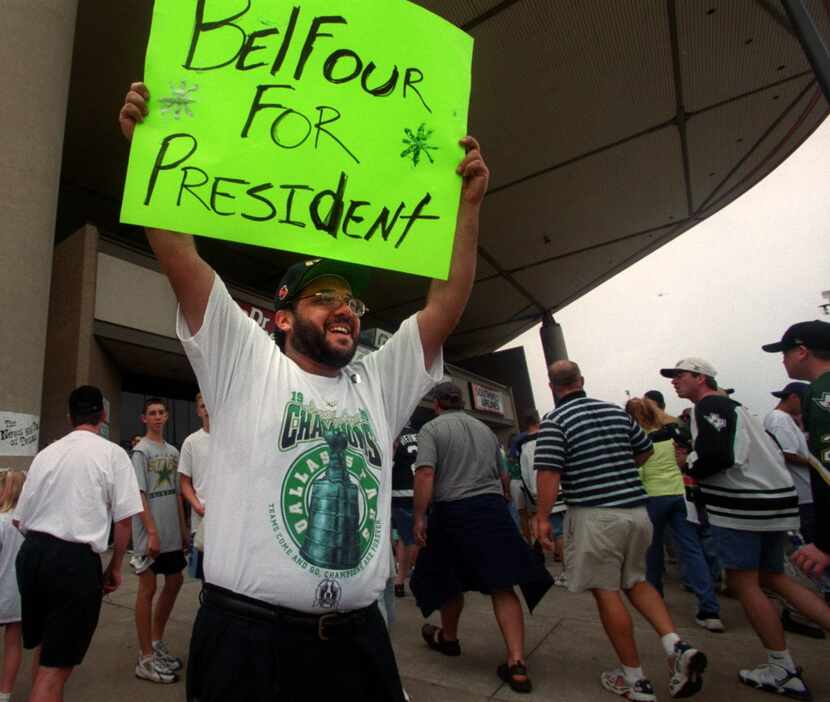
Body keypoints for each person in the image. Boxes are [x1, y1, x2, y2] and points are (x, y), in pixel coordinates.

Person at [119, 81, 489, 702]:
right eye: (325, 299)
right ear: (284, 316)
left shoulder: (378, 383)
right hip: (246, 645)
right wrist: (147, 149)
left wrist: (469, 206)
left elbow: (445, 303)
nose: (344, 310)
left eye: (350, 301)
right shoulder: (247, 364)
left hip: (357, 643)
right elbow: (180, 255)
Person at [534, 361, 706, 702]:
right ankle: (676, 645)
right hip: (637, 512)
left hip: (596, 516)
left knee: (606, 590)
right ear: (582, 380)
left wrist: (541, 517)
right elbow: (643, 450)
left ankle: (634, 679)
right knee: (637, 580)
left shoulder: (555, 421)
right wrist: (618, 470)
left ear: (552, 386)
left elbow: (550, 473)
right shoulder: (615, 412)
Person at [663, 357, 830, 699]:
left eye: (680, 375)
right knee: (774, 578)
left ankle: (781, 667)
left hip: (743, 506)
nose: (674, 381)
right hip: (773, 502)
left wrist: (689, 460)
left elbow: (720, 456)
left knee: (743, 582)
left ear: (701, 377)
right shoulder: (734, 407)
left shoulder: (709, 406)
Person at [410, 382, 552, 694]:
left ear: (436, 405)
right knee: (503, 585)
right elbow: (503, 475)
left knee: (449, 580)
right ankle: (516, 663)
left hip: (452, 510)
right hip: (491, 508)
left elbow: (425, 474)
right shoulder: (486, 430)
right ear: (462, 402)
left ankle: (449, 638)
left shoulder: (431, 430)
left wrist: (420, 516)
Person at [14, 386, 142, 702]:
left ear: (69, 416)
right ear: (103, 415)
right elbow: (124, 519)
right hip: (73, 562)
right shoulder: (112, 454)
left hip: (32, 555)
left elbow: (20, 519)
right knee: (54, 671)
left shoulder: (46, 453)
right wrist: (115, 567)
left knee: (46, 654)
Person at [624, 397, 724, 632]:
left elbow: (638, 471)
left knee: (653, 552)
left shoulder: (639, 440)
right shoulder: (672, 434)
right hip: (679, 495)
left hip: (652, 497)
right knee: (692, 549)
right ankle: (710, 609)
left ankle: (655, 597)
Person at [763, 321, 830, 582]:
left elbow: (827, 471)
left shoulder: (819, 393)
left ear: (802, 351)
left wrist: (825, 542)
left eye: (785, 353)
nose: (783, 361)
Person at [131, 398, 187, 684]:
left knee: (175, 581)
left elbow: (177, 494)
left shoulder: (174, 451)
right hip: (149, 534)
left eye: (161, 413)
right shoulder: (140, 452)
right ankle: (145, 658)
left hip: (172, 533)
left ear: (166, 416)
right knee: (147, 589)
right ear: (144, 419)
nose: (156, 417)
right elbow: (138, 495)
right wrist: (151, 531)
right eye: (151, 413)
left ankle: (156, 642)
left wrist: (183, 527)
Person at [519, 414, 568, 586]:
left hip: (542, 492)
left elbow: (525, 475)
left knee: (559, 533)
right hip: (563, 487)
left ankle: (568, 572)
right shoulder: (552, 436)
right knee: (572, 530)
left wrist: (534, 500)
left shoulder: (524, 447)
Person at [763, 383, 814, 542]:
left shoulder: (785, 419)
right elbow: (787, 454)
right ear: (793, 397)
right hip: (802, 494)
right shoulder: (779, 419)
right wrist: (817, 465)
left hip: (805, 493)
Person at [178, 392, 211, 582]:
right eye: (202, 406)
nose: (207, 410)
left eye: (209, 405)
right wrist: (197, 505)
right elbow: (184, 482)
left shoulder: (231, 438)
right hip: (201, 520)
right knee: (204, 578)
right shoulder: (191, 442)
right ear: (198, 411)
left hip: (227, 521)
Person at [0, 471, 26, 702]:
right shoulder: (29, 523)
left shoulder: (1, 522)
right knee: (12, 642)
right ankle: (4, 693)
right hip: (17, 593)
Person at [391, 425, 420, 598]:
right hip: (419, 490)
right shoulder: (422, 435)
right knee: (414, 538)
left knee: (404, 538)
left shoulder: (394, 434)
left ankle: (400, 581)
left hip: (399, 493)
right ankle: (416, 579)